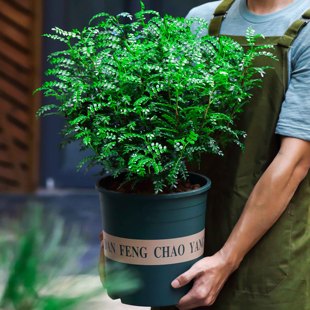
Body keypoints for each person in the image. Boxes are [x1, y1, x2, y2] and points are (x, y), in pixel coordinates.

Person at [151, 0, 310, 309]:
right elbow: (160, 142)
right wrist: (125, 240)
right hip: (184, 238)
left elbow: (293, 163)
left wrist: (226, 259)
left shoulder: (306, 29)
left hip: (270, 250)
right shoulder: (201, 20)